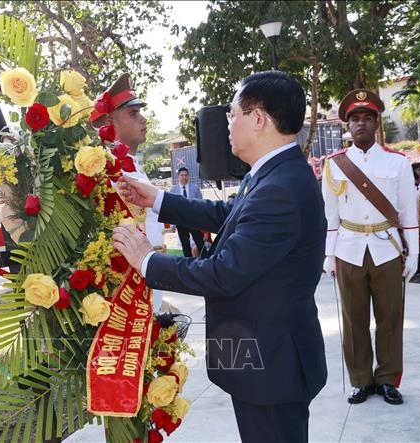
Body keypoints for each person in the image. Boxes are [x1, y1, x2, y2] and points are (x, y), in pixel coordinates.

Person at [113, 71, 327, 442]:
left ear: (258, 119)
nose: (228, 123)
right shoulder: (273, 173)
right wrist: (158, 199)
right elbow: (227, 216)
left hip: (272, 363)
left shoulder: (281, 187)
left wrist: (147, 259)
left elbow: (223, 273)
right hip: (263, 353)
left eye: (233, 114)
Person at [322, 89, 418, 406]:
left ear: (377, 123)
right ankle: (362, 380)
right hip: (349, 249)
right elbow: (330, 216)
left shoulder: (398, 163)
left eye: (367, 118)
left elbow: (407, 211)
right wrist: (328, 253)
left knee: (390, 317)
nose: (361, 124)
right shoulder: (334, 165)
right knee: (354, 319)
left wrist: (414, 252)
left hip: (387, 249)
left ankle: (388, 378)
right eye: (355, 119)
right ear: (347, 126)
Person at [89, 73, 166, 312]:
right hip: (128, 291)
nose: (143, 119)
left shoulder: (132, 167)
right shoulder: (107, 173)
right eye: (133, 114)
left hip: (148, 281)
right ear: (109, 126)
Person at [169, 167, 205, 257]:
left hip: (193, 221)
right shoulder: (173, 190)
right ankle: (188, 265)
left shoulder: (195, 188)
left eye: (186, 175)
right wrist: (172, 224)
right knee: (185, 245)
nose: (184, 177)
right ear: (178, 177)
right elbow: (172, 208)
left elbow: (201, 203)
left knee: (200, 243)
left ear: (188, 176)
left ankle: (206, 260)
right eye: (182, 175)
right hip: (180, 221)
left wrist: (202, 219)